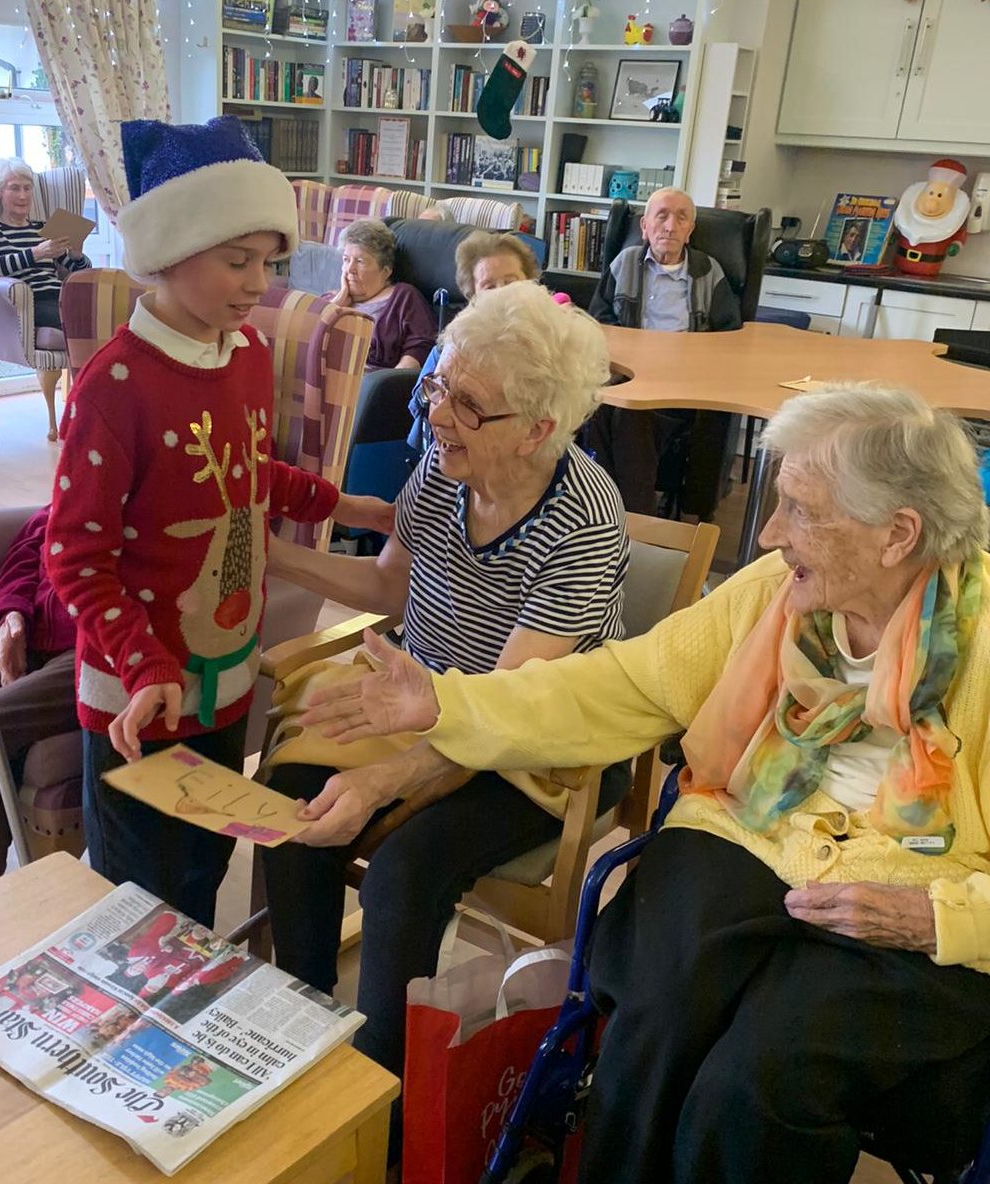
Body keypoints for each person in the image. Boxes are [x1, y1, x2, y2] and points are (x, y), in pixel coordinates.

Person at [305, 386, 990, 1184]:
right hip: (751, 823)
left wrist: (944, 919)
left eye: (800, 511)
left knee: (761, 1081)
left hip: (924, 885)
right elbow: (623, 684)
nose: (768, 535)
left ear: (896, 535)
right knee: (652, 1014)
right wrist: (445, 700)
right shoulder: (774, 591)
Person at [262, 280, 630, 1160]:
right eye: (439, 386)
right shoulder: (442, 469)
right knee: (287, 798)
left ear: (541, 428)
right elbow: (391, 585)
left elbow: (502, 714)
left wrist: (381, 777)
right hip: (418, 693)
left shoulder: (584, 519)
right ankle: (305, 1030)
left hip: (535, 743)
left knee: (400, 870)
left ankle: (383, 1111)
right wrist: (278, 552)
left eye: (468, 403)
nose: (437, 413)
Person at [43, 116, 395, 929]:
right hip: (140, 702)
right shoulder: (114, 386)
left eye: (267, 263)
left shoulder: (243, 355)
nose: (256, 284)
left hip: (228, 679)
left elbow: (247, 478)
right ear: (168, 253)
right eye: (238, 261)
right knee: (139, 904)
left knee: (203, 876)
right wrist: (141, 665)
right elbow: (76, 558)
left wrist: (344, 505)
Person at [588, 186, 741, 516]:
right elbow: (598, 321)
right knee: (599, 407)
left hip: (682, 388)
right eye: (662, 216)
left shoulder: (708, 272)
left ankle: (632, 519)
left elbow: (730, 338)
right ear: (645, 226)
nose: (670, 226)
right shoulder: (625, 263)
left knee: (629, 414)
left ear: (690, 230)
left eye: (681, 218)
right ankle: (607, 512)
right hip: (626, 377)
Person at [0, 505, 78, 877]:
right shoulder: (57, 506)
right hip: (33, 642)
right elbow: (22, 563)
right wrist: (12, 618)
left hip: (91, 653)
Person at [407, 229, 542, 455]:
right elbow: (421, 408)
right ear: (473, 295)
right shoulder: (447, 348)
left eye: (511, 282)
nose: (501, 294)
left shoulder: (549, 343)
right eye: (489, 287)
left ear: (530, 283)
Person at [0, 156, 92, 442]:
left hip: (61, 297)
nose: (22, 195)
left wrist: (75, 255)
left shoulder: (44, 228)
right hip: (26, 306)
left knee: (102, 309)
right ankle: (84, 409)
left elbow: (79, 271)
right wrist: (35, 254)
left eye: (27, 187)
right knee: (84, 323)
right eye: (14, 188)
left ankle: (91, 406)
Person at [327, 218, 437, 371]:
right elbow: (302, 341)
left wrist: (387, 386)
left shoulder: (404, 298)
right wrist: (335, 305)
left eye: (360, 261)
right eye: (346, 260)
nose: (349, 269)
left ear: (385, 271)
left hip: (368, 387)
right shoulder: (329, 300)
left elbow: (421, 348)